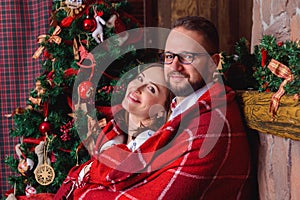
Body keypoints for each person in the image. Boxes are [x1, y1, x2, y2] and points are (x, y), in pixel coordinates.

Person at [55, 16, 256, 200]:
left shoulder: (211, 124)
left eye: (187, 57)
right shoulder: (182, 106)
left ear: (213, 63)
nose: (175, 66)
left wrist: (84, 192)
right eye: (169, 56)